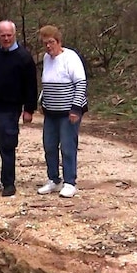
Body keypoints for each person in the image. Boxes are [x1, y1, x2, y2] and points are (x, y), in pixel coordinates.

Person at [0, 20, 38, 197]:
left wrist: (29, 109)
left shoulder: (23, 57)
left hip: (9, 110)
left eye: (9, 35)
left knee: (7, 147)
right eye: (2, 35)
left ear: (14, 35)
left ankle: (8, 183)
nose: (6, 38)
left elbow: (31, 86)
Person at [35, 25, 87, 198]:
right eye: (45, 43)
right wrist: (42, 102)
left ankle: (70, 182)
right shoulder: (46, 59)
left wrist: (76, 109)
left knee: (67, 146)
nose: (48, 46)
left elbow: (80, 84)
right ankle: (53, 180)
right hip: (51, 112)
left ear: (58, 41)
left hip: (68, 112)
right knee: (49, 146)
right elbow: (47, 83)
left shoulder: (70, 58)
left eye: (51, 42)